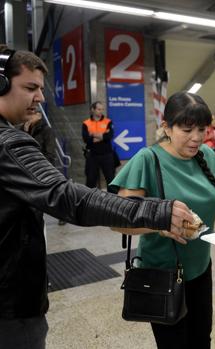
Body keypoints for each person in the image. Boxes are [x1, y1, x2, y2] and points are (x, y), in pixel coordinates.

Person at [0, 46, 196, 348]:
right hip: (10, 306)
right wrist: (156, 212)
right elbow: (66, 196)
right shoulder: (9, 143)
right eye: (30, 87)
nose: (39, 97)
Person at [110, 91, 215, 349]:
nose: (196, 138)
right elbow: (118, 220)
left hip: (200, 268)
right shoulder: (147, 160)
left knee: (201, 340)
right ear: (167, 128)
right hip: (163, 273)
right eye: (187, 130)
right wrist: (160, 224)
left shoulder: (206, 155)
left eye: (202, 129)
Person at [82, 101, 116, 189]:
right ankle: (89, 200)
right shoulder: (86, 123)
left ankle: (113, 200)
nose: (101, 111)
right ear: (92, 110)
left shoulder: (108, 122)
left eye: (102, 109)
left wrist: (93, 134)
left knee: (111, 180)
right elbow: (86, 139)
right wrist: (102, 136)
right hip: (92, 156)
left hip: (107, 155)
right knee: (90, 180)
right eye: (98, 109)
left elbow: (109, 136)